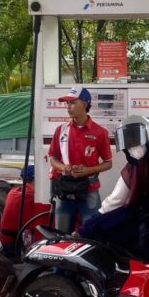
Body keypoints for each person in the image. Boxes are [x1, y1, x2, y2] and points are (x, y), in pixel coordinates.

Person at [76, 115, 149, 258]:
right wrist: (94, 221)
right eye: (127, 142)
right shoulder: (131, 168)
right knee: (104, 224)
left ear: (148, 136)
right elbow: (115, 199)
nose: (131, 146)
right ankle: (79, 236)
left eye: (134, 139)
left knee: (148, 238)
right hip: (141, 208)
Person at [48, 87, 113, 233]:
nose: (68, 107)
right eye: (67, 103)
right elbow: (53, 158)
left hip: (89, 191)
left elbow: (108, 163)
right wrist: (64, 168)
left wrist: (88, 170)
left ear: (84, 104)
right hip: (64, 192)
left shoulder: (100, 133)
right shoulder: (61, 130)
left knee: (90, 235)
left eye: (72, 102)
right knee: (62, 236)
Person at [0, 164, 51, 255]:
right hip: (17, 245)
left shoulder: (13, 192)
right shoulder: (33, 196)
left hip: (5, 241)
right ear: (37, 178)